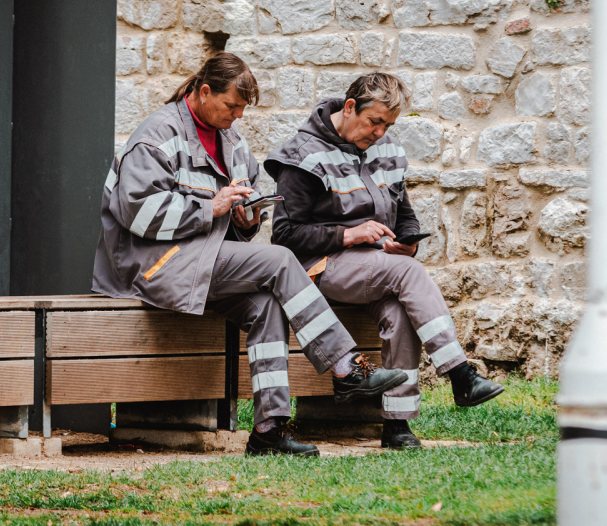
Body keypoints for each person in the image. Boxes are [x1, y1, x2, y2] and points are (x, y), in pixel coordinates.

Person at [92, 53, 408, 457]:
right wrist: (212, 207)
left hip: (202, 261)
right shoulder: (156, 134)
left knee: (265, 304)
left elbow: (236, 225)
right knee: (278, 260)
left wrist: (245, 218)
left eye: (243, 108)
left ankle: (268, 431)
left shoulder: (233, 143)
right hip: (150, 265)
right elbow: (138, 212)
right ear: (203, 92)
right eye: (231, 105)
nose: (238, 116)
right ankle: (345, 366)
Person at [264, 73, 505, 450]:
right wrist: (349, 234)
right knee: (407, 275)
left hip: (377, 269)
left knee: (399, 310)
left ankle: (397, 427)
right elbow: (285, 236)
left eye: (387, 125)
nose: (379, 132)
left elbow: (404, 213)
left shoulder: (387, 149)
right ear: (349, 108)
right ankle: (460, 373)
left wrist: (407, 243)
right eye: (373, 122)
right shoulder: (302, 155)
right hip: (317, 268)